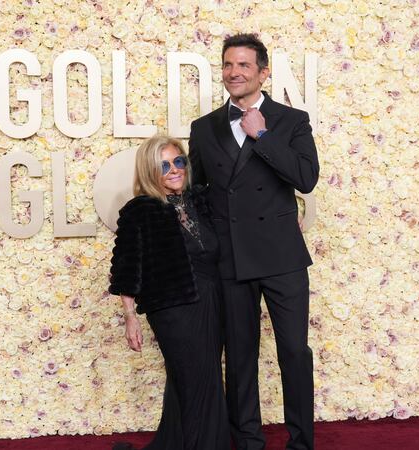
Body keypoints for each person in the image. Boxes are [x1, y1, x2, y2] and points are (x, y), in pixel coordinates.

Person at [188, 34, 320, 450]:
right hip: (231, 259)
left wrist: (263, 137)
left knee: (293, 352)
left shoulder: (291, 120)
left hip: (282, 257)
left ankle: (301, 442)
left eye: (244, 65)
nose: (234, 72)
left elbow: (306, 178)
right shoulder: (204, 127)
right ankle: (248, 441)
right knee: (240, 356)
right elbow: (196, 192)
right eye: (228, 65)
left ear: (263, 73)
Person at [108, 135, 230, 450]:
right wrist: (130, 318)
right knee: (197, 383)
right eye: (164, 165)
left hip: (211, 301)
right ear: (150, 171)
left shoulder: (199, 200)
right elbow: (126, 268)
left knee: (195, 382)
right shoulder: (140, 210)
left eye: (179, 161)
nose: (175, 170)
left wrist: (292, 211)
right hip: (173, 310)